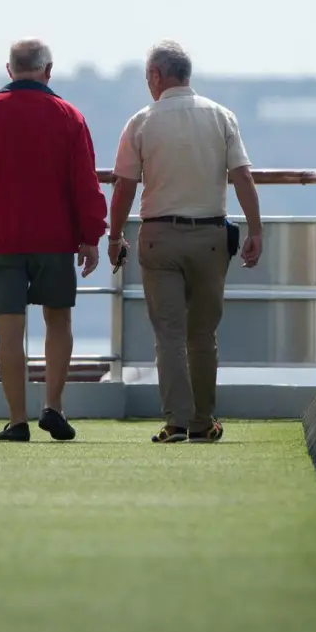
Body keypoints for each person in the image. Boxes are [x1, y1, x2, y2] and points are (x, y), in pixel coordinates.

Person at [0, 39, 107, 442]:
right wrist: (91, 236)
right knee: (59, 319)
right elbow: (85, 182)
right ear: (48, 71)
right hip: (54, 236)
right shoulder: (69, 117)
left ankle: (17, 421)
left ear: (9, 69)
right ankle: (54, 406)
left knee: (9, 329)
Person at [107, 41, 263, 444]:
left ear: (157, 76)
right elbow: (242, 176)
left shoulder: (141, 122)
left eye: (148, 78)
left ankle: (175, 422)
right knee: (203, 334)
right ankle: (202, 421)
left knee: (170, 335)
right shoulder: (220, 116)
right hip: (211, 237)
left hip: (159, 237)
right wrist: (256, 230)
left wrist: (113, 234)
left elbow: (123, 187)